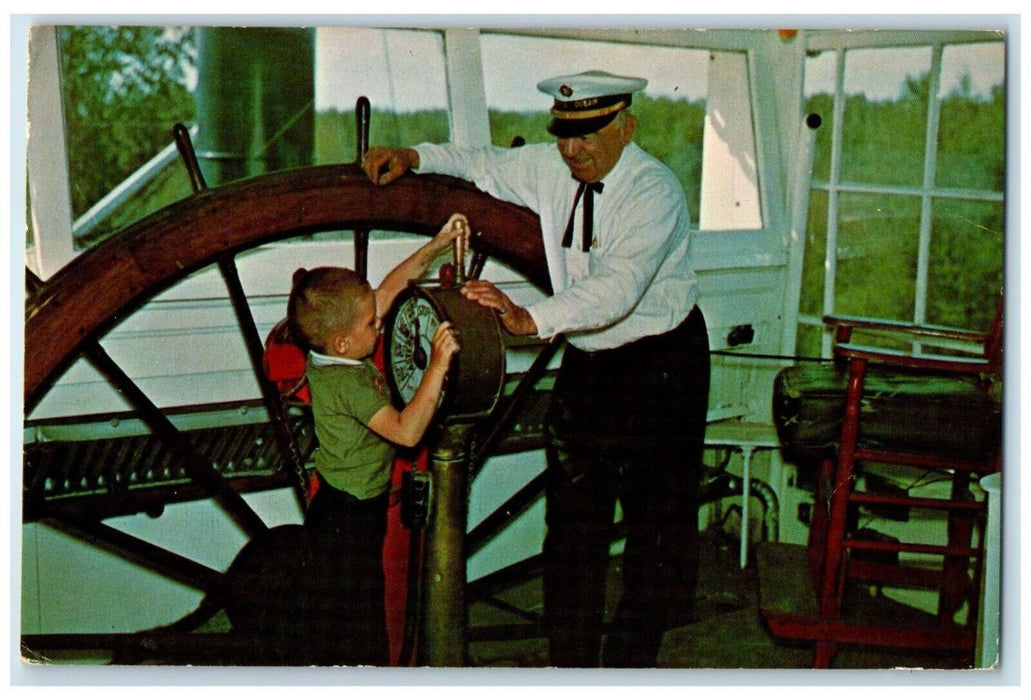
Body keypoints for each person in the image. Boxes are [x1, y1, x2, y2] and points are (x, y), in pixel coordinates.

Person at [362, 70, 711, 668]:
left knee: (659, 530)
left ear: (626, 127)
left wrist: (529, 319)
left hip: (661, 365)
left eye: (589, 136)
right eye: (565, 134)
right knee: (573, 526)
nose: (573, 150)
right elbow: (479, 162)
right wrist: (413, 155)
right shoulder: (554, 169)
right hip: (591, 362)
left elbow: (615, 291)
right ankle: (572, 666)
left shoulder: (655, 192)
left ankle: (630, 668)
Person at [286, 213, 466, 665]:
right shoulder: (352, 386)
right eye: (372, 325)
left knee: (343, 618)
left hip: (335, 502)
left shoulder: (328, 350)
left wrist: (437, 244)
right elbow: (407, 433)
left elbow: (390, 285)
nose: (381, 326)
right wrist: (438, 364)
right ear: (344, 342)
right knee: (357, 628)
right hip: (348, 517)